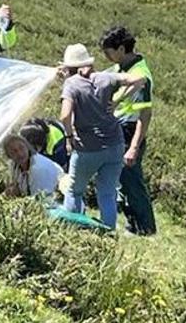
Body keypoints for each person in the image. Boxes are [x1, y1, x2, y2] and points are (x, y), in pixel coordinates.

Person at [58, 43, 149, 230]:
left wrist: (69, 137)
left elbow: (65, 115)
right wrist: (118, 100)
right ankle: (108, 231)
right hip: (114, 145)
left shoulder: (71, 84)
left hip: (87, 147)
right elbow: (140, 79)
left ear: (69, 68)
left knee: (75, 190)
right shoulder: (106, 78)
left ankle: (73, 228)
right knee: (107, 192)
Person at [101, 25, 157, 235]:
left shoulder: (140, 75)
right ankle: (133, 224)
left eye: (109, 52)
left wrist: (134, 146)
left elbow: (145, 114)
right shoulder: (121, 68)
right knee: (122, 179)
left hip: (130, 130)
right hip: (118, 127)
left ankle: (145, 227)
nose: (107, 56)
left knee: (132, 179)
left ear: (122, 49)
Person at [2, 134, 63, 199]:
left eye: (21, 147)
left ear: (27, 146)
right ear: (9, 156)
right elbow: (16, 185)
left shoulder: (38, 169)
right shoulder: (15, 165)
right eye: (13, 152)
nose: (20, 154)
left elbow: (39, 200)